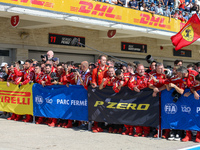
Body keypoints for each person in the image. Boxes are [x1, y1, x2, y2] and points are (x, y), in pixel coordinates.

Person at [125, 64, 150, 137]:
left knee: (145, 114)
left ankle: (146, 131)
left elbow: (148, 84)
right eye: (140, 69)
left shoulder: (148, 76)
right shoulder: (134, 76)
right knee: (136, 115)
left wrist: (139, 87)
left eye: (142, 69)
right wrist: (133, 87)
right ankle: (138, 131)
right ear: (137, 70)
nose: (142, 71)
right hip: (136, 98)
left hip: (146, 98)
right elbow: (130, 83)